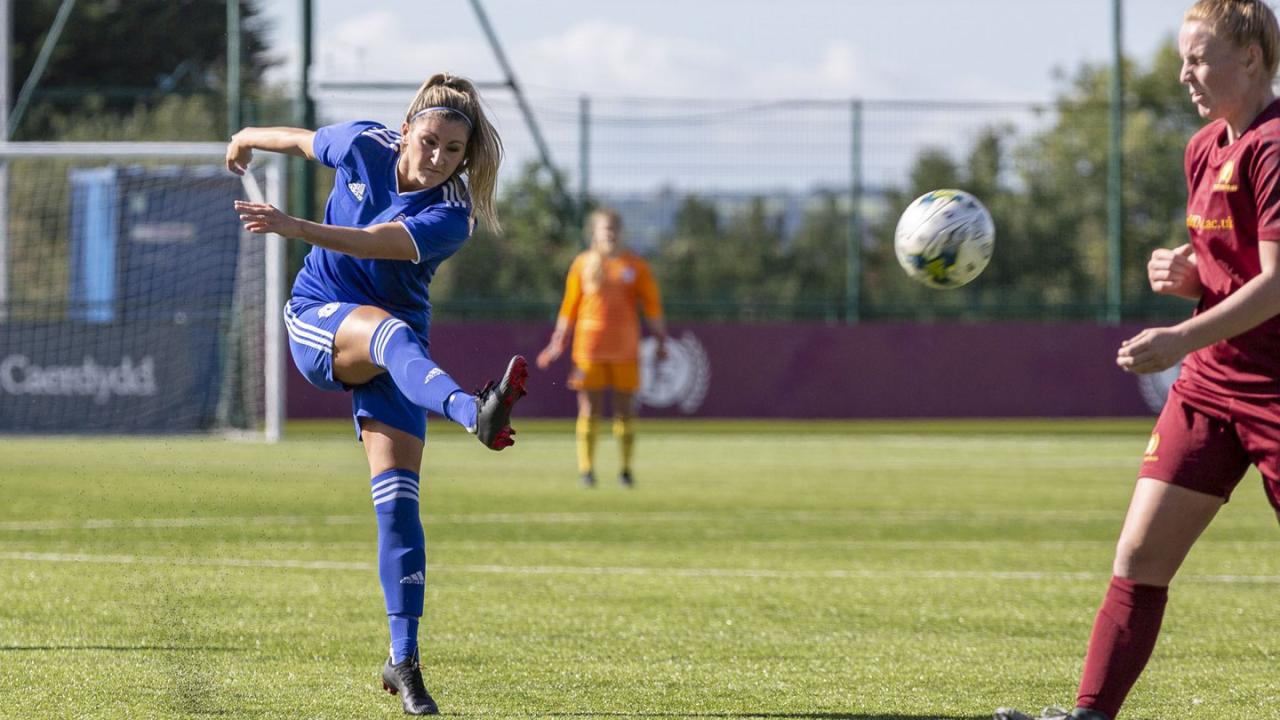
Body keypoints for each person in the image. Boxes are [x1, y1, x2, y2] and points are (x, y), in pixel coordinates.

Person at [996, 2, 1280, 719]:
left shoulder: (1275, 147)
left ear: (1250, 57)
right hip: (1213, 388)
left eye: (1198, 56)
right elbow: (1238, 271)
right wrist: (1190, 277)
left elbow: (1278, 284)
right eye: (1182, 57)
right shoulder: (1203, 148)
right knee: (1140, 557)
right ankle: (1091, 715)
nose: (1184, 72)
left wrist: (1180, 336)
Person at [227, 72, 527, 716]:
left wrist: (291, 225)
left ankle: (404, 662)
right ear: (408, 128)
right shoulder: (364, 141)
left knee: (397, 506)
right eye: (431, 142)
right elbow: (304, 141)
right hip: (320, 318)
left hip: (399, 351)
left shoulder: (451, 215)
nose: (440, 159)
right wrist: (246, 135)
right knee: (388, 332)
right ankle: (471, 410)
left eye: (454, 151)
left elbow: (374, 243)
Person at [536, 208, 666, 488]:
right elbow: (569, 307)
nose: (610, 233)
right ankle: (587, 470)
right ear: (594, 233)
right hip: (589, 350)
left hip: (625, 349)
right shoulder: (583, 265)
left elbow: (652, 307)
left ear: (620, 233)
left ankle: (626, 470)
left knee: (625, 409)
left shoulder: (635, 266)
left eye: (614, 229)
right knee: (589, 408)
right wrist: (558, 341)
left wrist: (661, 339)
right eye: (604, 229)